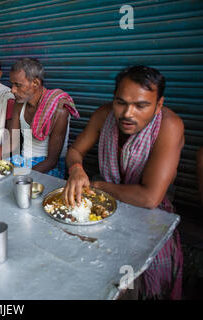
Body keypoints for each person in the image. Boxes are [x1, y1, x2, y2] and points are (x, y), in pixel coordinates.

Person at [64, 65, 184, 299]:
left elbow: (149, 198)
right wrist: (77, 169)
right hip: (106, 202)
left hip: (151, 213)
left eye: (141, 105)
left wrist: (98, 186)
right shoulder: (103, 115)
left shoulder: (169, 125)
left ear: (159, 104)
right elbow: (76, 150)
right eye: (121, 103)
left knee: (140, 280)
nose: (128, 113)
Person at [8, 58, 80, 178]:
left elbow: (51, 162)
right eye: (12, 84)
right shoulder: (18, 104)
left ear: (35, 83)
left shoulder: (59, 110)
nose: (12, 90)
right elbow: (12, 142)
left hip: (46, 166)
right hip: (23, 160)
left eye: (18, 85)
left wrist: (20, 175)